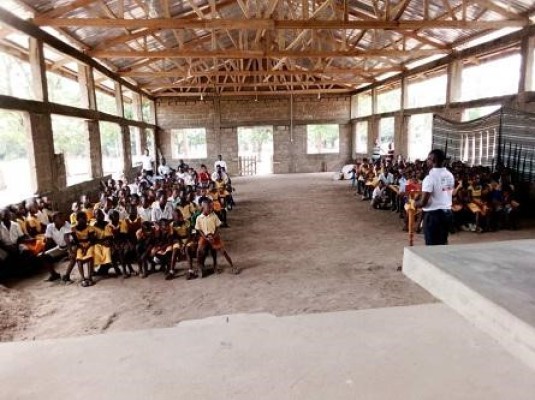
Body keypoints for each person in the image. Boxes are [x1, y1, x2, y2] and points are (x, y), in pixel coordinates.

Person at [415, 149, 455, 246]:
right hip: (447, 213)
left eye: (428, 159)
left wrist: (414, 203)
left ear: (433, 160)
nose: (427, 161)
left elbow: (423, 202)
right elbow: (446, 193)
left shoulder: (430, 178)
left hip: (433, 216)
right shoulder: (450, 175)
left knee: (432, 246)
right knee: (442, 243)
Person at [195, 199, 238, 277]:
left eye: (211, 207)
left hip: (214, 236)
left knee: (223, 251)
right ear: (203, 207)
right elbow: (199, 229)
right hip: (204, 237)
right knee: (199, 250)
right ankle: (199, 267)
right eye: (209, 207)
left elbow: (218, 227)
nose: (211, 209)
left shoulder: (214, 216)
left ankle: (232, 266)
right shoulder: (199, 218)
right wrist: (205, 237)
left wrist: (214, 236)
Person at [42, 212, 73, 282]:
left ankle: (67, 276)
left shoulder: (66, 224)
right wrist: (44, 251)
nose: (63, 219)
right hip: (60, 247)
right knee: (44, 256)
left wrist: (70, 251)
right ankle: (54, 275)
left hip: (70, 245)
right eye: (60, 217)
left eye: (63, 217)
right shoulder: (50, 227)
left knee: (73, 256)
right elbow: (49, 241)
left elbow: (67, 238)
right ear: (54, 220)